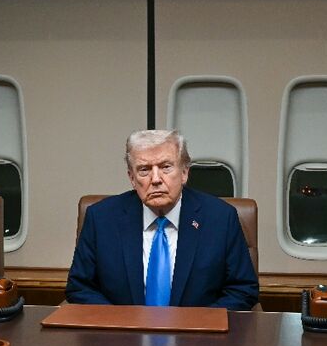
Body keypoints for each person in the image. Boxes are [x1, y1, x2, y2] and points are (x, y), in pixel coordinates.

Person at [65, 130, 259, 310]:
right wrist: (122, 324)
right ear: (132, 178)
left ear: (184, 173)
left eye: (166, 167)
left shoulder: (220, 218)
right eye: (144, 170)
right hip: (121, 339)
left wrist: (195, 326)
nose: (156, 179)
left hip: (198, 340)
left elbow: (242, 289)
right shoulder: (101, 218)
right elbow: (80, 287)